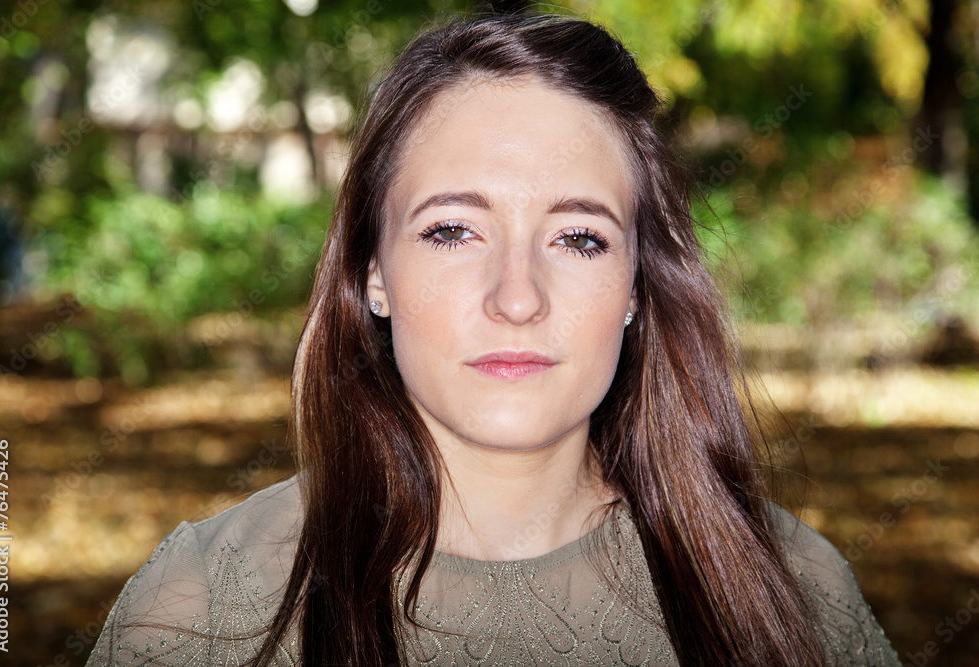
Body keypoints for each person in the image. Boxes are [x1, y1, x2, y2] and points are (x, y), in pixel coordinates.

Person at [87, 9, 902, 666]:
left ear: (635, 286)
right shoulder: (201, 609)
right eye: (452, 231)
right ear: (373, 272)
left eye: (578, 238)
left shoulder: (795, 592)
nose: (518, 298)